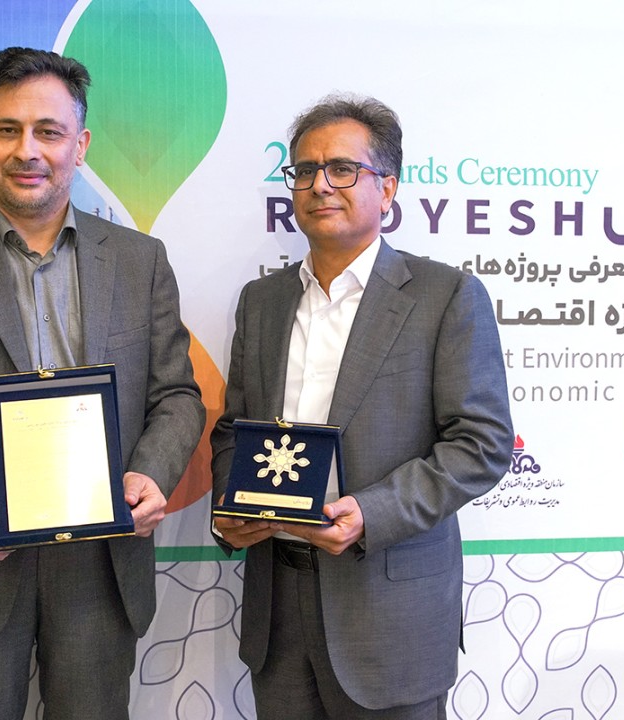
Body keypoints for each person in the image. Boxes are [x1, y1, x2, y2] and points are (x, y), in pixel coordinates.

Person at [0, 47, 204, 719]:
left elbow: (176, 396)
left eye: (48, 131)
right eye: (7, 130)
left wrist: (150, 475)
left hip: (101, 568)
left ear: (80, 145)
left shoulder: (139, 261)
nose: (27, 150)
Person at [210, 94, 513, 719]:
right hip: (278, 609)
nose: (320, 185)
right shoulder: (261, 302)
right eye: (305, 170)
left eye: (343, 169)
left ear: (388, 188)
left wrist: (370, 515)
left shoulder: (445, 296)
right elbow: (234, 430)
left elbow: (481, 445)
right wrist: (228, 509)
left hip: (387, 613)